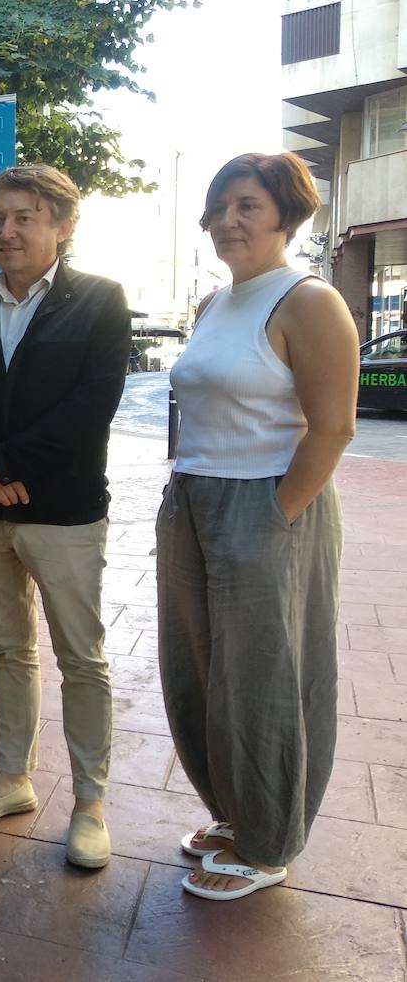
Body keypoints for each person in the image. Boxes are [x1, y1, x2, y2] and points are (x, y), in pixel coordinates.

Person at [159, 152, 357, 901]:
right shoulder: (215, 304)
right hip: (194, 499)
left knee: (267, 674)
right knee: (199, 668)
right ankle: (235, 813)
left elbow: (333, 428)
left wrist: (276, 514)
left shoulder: (309, 301)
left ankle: (269, 839)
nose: (228, 221)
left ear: (285, 216)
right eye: (220, 207)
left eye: (247, 205)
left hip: (269, 500)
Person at [0, 163, 130, 869]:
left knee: (81, 657)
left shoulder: (100, 302)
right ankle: (12, 778)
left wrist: (7, 462)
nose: (6, 231)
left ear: (63, 225)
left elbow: (89, 409)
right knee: (9, 649)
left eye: (24, 217)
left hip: (65, 512)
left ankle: (90, 804)